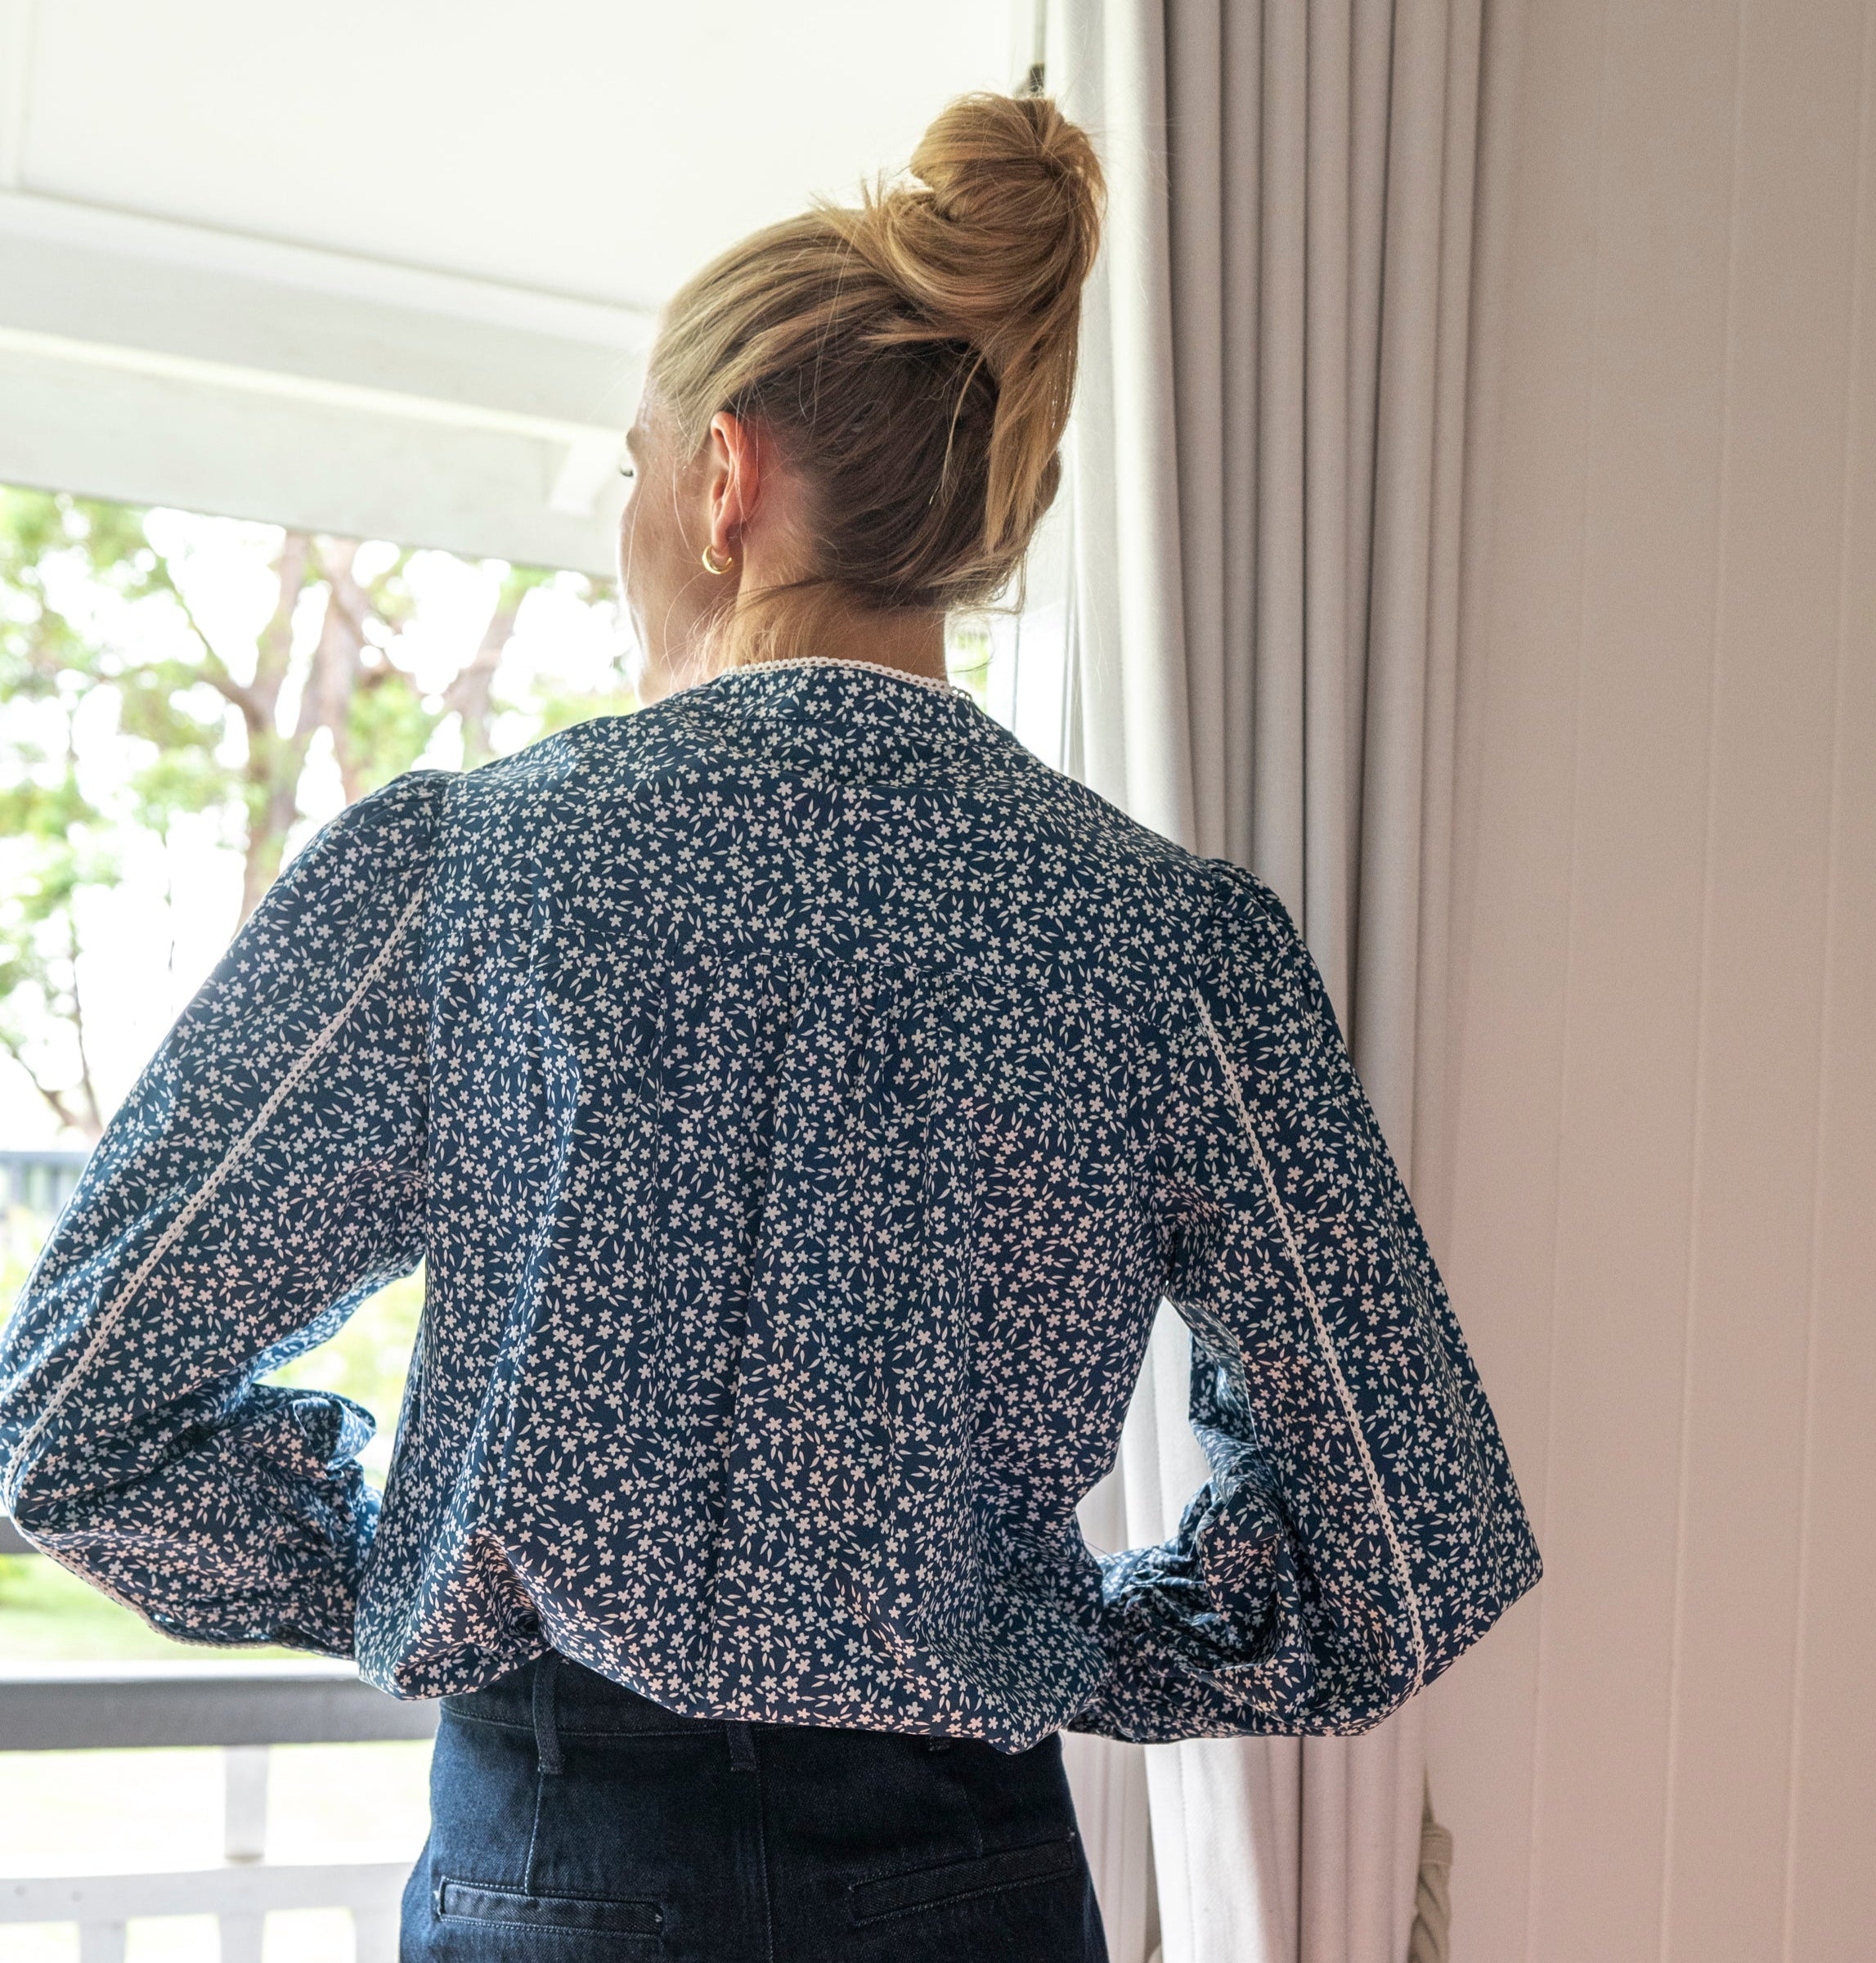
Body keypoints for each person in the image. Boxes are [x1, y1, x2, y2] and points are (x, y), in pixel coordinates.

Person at [0, 91, 1540, 1963]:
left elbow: (73, 1422)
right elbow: (1405, 1541)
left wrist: (434, 1568)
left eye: (630, 471)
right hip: (970, 1889)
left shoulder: (462, 879)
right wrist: (1064, 1634)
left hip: (553, 1870)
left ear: (721, 479)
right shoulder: (1171, 948)